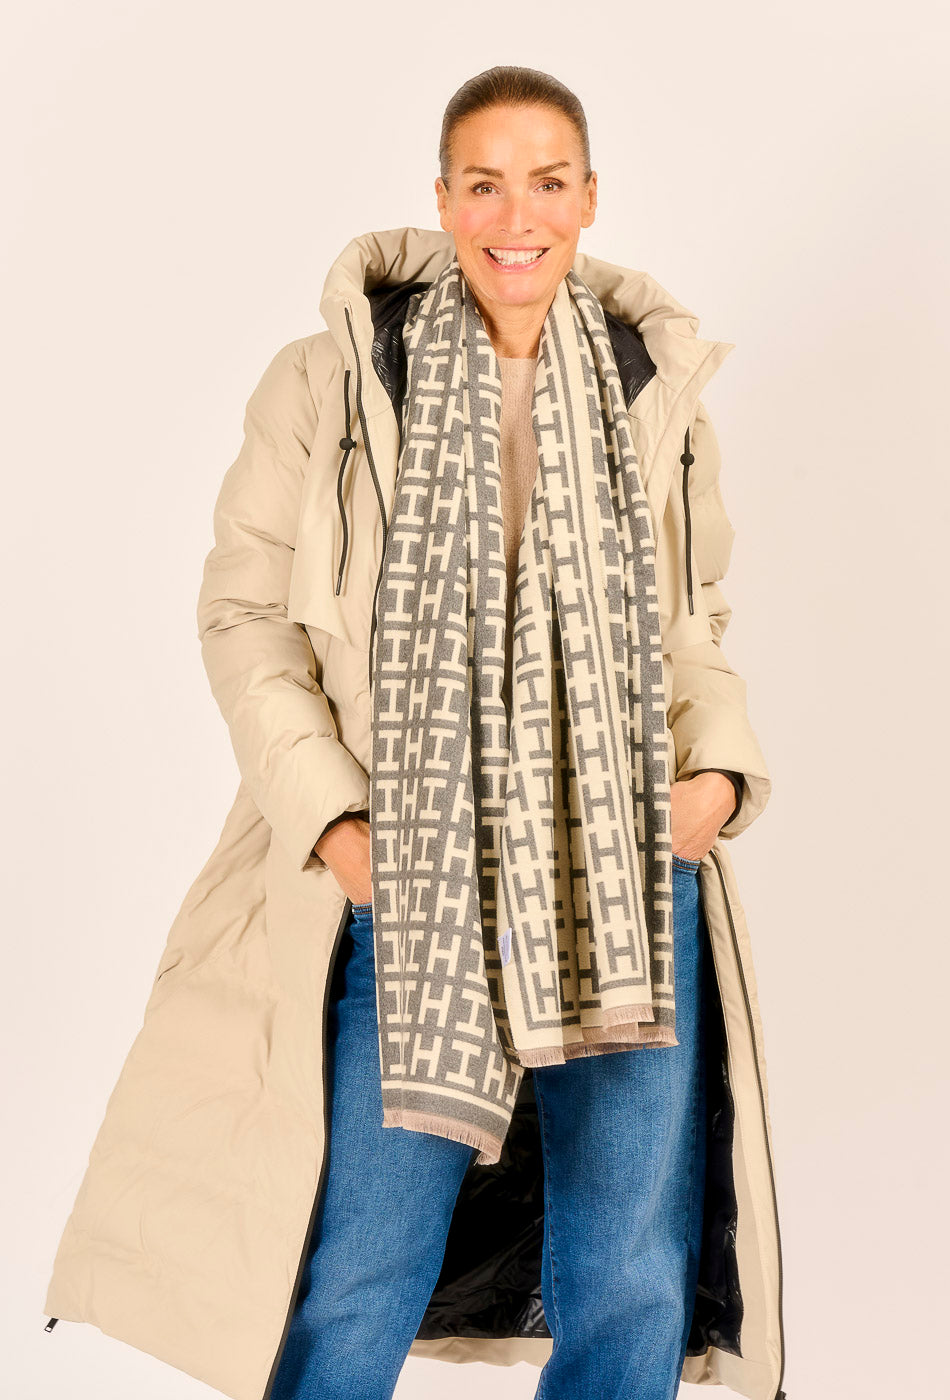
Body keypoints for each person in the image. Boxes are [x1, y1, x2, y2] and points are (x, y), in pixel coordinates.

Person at [43, 65, 784, 1400]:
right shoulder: (332, 381)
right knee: (357, 1270)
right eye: (485, 183)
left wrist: (717, 779)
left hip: (619, 874)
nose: (517, 214)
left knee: (631, 1271)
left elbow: (693, 618)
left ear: (589, 197)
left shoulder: (648, 390)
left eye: (547, 182)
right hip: (413, 875)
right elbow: (244, 616)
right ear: (442, 199)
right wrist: (338, 825)